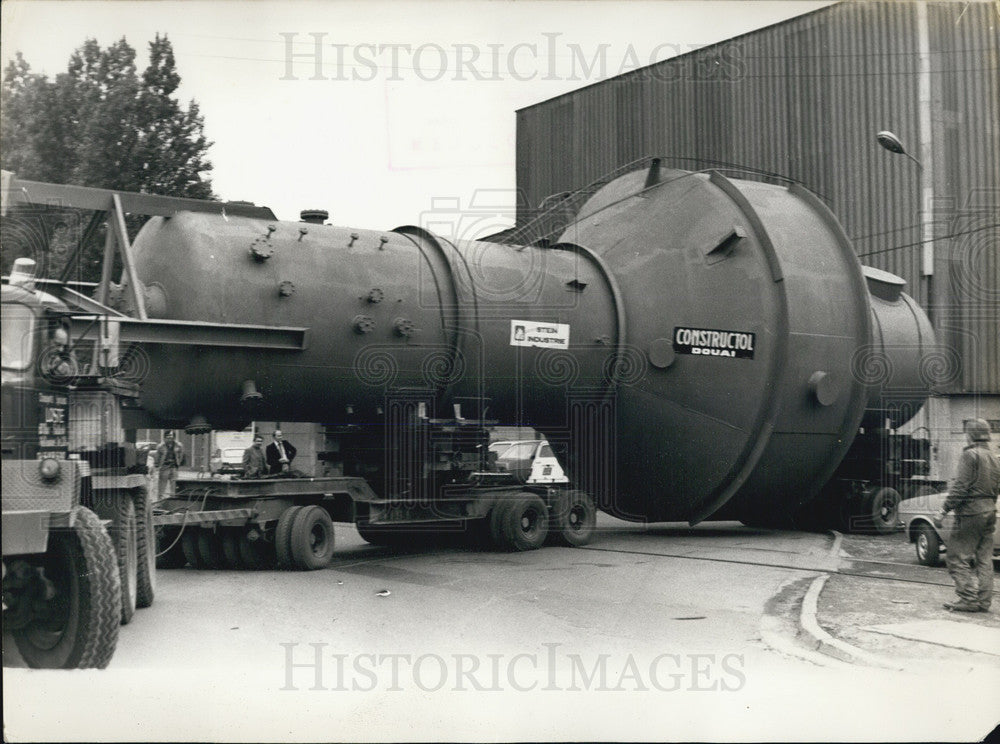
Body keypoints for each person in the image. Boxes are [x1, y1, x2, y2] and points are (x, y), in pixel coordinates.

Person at [935, 418, 999, 613]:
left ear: (970, 435)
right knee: (984, 558)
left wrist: (943, 510)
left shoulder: (970, 455)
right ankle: (984, 601)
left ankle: (968, 599)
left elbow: (961, 486)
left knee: (956, 557)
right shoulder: (994, 456)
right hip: (989, 510)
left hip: (971, 512)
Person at [152, 431, 185, 500]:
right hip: (164, 467)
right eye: (168, 437)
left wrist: (178, 463)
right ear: (165, 437)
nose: (170, 438)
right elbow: (157, 457)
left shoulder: (179, 445)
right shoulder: (160, 446)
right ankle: (160, 501)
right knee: (162, 486)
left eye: (171, 436)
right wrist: (157, 465)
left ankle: (173, 500)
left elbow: (181, 455)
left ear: (174, 437)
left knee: (174, 485)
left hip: (174, 467)